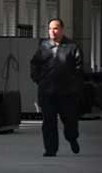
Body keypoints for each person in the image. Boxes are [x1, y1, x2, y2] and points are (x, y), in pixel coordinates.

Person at [30, 18, 84, 157]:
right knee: (48, 122)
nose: (52, 32)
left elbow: (79, 70)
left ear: (62, 29)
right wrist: (38, 80)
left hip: (67, 93)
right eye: (50, 29)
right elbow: (34, 64)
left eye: (55, 28)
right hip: (47, 92)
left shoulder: (72, 47)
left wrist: (75, 87)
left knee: (70, 121)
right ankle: (50, 149)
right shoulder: (44, 46)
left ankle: (72, 138)